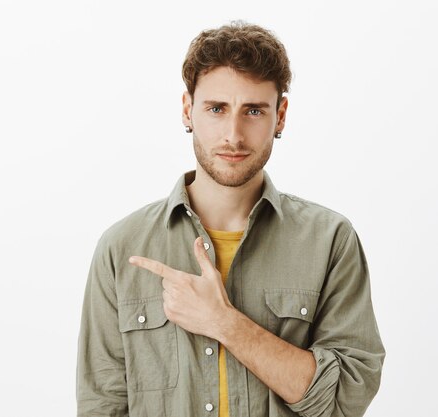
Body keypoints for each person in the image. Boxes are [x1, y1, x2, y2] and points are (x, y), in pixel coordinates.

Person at [76, 21, 385, 417]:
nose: (233, 135)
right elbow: (101, 405)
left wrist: (224, 322)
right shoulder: (122, 249)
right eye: (217, 109)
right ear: (188, 110)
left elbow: (347, 397)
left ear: (281, 116)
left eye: (253, 110)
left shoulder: (330, 241)